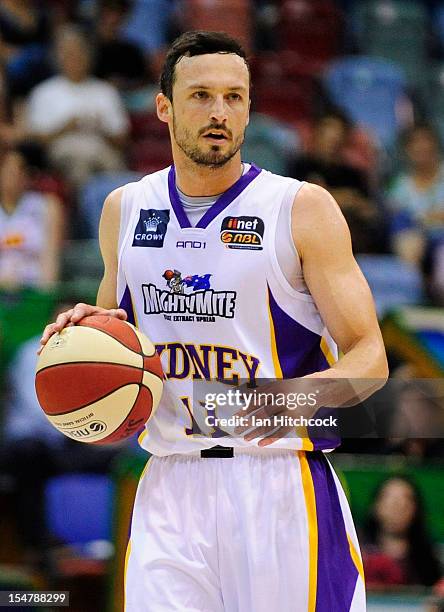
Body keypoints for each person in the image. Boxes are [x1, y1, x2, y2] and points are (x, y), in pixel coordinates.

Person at [40, 31, 388, 611]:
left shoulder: (301, 209)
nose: (220, 112)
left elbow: (370, 359)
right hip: (170, 482)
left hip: (277, 482)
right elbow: (119, 338)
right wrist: (84, 333)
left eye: (235, 97)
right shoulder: (123, 210)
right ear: (164, 108)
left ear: (250, 109)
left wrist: (288, 401)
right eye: (201, 95)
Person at [26, 24, 129, 189]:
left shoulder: (106, 91)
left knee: (114, 166)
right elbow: (35, 140)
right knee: (81, 165)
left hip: (102, 147)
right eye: (69, 54)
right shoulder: (44, 92)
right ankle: (88, 213)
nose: (75, 59)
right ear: (58, 57)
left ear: (89, 57)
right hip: (64, 150)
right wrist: (66, 127)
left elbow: (122, 138)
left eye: (79, 53)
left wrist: (100, 128)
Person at [0, 143, 63, 289]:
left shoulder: (47, 206)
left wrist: (46, 294)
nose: (11, 177)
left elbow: (50, 257)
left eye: (17, 172)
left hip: (32, 287)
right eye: (7, 171)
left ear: (28, 176)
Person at [362, 476, 442, 589]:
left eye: (406, 500)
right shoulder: (359, 556)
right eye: (390, 500)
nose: (397, 507)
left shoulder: (431, 561)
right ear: (375, 506)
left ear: (416, 509)